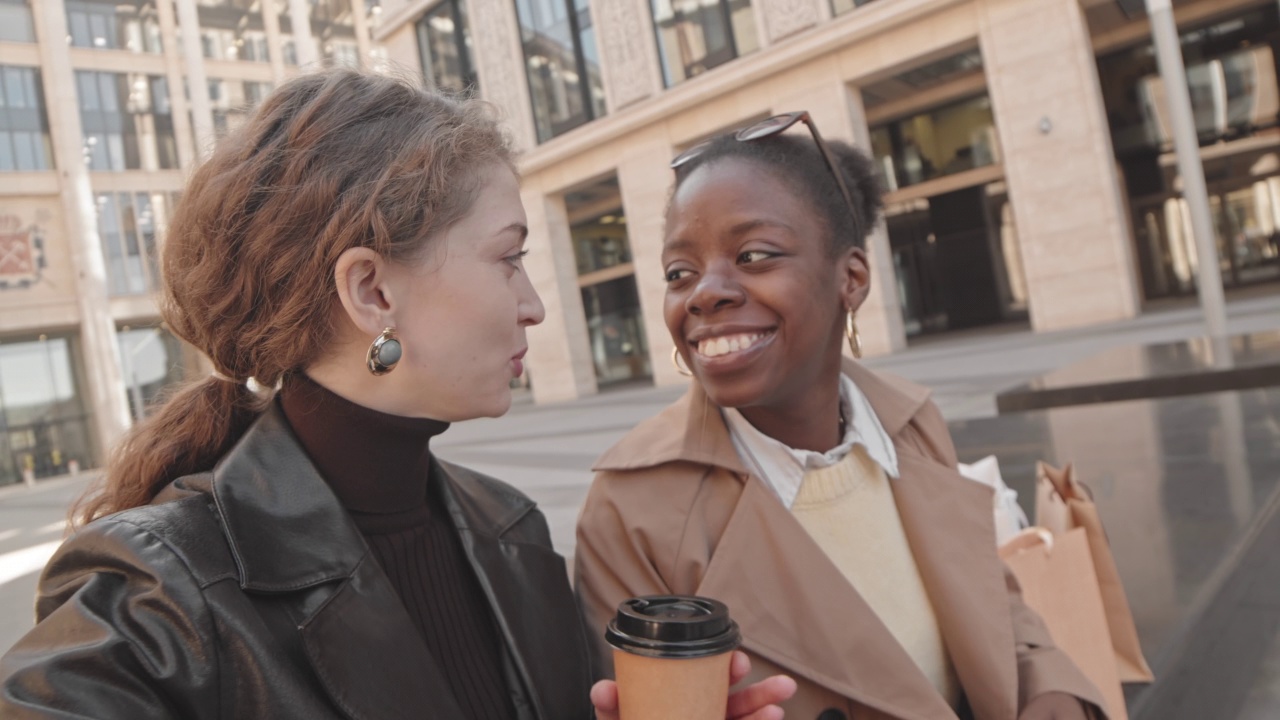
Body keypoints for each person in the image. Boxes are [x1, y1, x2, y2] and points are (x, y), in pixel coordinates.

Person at [0, 69, 791, 720]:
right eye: (507, 258)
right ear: (372, 290)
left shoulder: (510, 531)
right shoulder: (150, 595)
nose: (533, 304)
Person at [574, 112, 1109, 720]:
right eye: (680, 273)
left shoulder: (909, 422)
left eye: (753, 255)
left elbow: (995, 604)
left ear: (850, 278)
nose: (704, 293)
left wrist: (1053, 693)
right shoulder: (632, 508)